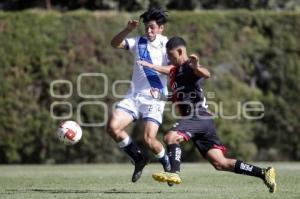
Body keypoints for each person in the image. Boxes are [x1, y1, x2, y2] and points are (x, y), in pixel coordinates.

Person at [139, 36, 277, 193]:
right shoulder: (175, 72)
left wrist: (197, 66)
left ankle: (174, 172)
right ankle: (264, 173)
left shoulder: (189, 67)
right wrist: (159, 90)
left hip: (198, 115)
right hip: (202, 120)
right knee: (220, 163)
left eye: (171, 56)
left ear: (180, 51)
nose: (169, 59)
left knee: (170, 137)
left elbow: (206, 73)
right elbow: (175, 90)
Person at [107, 7, 173, 183]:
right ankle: (139, 158)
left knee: (149, 139)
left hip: (155, 98)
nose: (149, 31)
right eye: (147, 27)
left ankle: (165, 160)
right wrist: (127, 30)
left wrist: (151, 66)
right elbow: (114, 43)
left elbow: (172, 69)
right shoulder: (139, 42)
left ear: (161, 28)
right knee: (112, 127)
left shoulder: (167, 45)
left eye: (152, 27)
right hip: (134, 96)